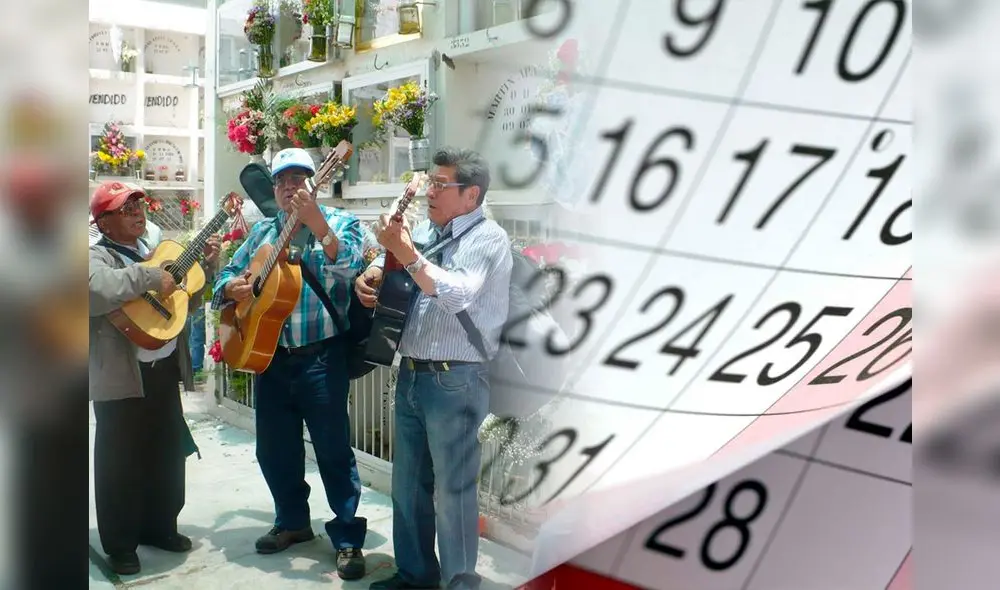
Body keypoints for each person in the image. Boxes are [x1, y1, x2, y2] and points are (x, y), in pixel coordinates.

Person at [356, 147, 513, 590]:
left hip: (457, 379)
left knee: (454, 492)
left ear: (471, 195)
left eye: (441, 185)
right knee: (407, 485)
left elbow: (458, 293)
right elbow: (394, 263)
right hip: (412, 372)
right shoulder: (427, 230)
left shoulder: (488, 238)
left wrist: (406, 254)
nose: (431, 192)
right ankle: (414, 575)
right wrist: (370, 275)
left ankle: (460, 580)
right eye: (431, 183)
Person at [211, 147, 368, 580]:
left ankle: (349, 537)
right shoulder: (262, 233)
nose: (288, 188)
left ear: (316, 181)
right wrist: (235, 288)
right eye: (281, 181)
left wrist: (318, 224)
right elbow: (221, 283)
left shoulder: (340, 223)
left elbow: (352, 267)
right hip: (272, 360)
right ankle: (293, 521)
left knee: (334, 450)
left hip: (321, 356)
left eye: (297, 179)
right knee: (274, 449)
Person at [88, 181, 220, 575]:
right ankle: (122, 544)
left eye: (139, 205)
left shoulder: (154, 252)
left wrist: (206, 270)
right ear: (104, 221)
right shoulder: (95, 257)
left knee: (165, 454)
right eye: (126, 208)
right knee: (119, 463)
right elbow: (93, 290)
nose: (137, 212)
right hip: (120, 378)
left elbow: (183, 302)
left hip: (162, 374)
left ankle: (161, 526)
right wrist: (149, 278)